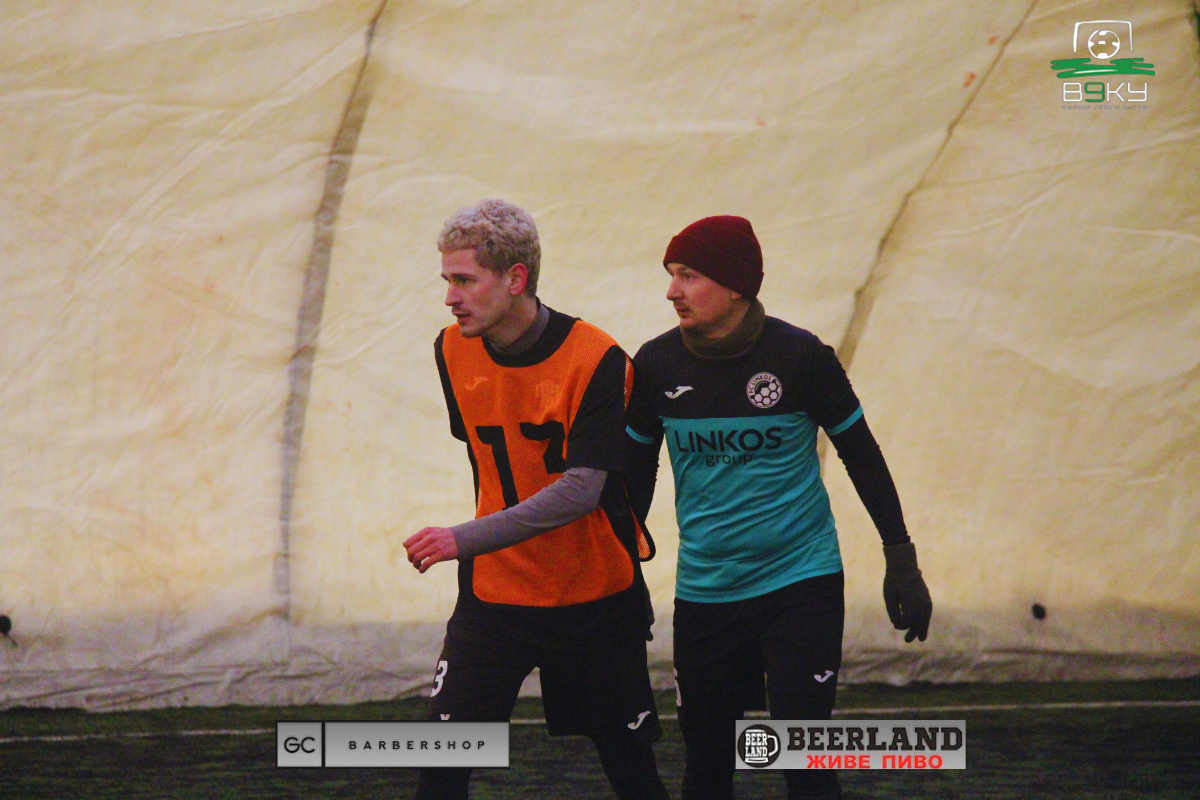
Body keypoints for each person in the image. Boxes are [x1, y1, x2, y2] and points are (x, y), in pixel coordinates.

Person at [624, 215, 932, 800]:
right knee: (707, 765)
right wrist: (624, 572)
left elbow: (862, 456)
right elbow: (635, 474)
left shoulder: (800, 357)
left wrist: (901, 558)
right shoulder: (656, 365)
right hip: (706, 591)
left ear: (736, 286)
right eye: (670, 275)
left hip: (801, 583)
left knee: (805, 758)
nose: (671, 291)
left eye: (688, 275)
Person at [403, 199, 669, 800]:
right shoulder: (451, 349)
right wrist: (480, 546)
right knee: (440, 763)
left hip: (592, 594)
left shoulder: (597, 358)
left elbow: (581, 491)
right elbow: (486, 458)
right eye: (447, 280)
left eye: (464, 280)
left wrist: (461, 538)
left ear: (516, 278)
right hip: (496, 595)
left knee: (631, 770)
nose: (450, 298)